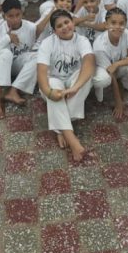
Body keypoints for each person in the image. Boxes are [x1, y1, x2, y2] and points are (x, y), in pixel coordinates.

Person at [37, 9, 100, 161]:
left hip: (72, 84)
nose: (65, 27)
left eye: (67, 22)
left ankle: (61, 130)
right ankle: (73, 140)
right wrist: (49, 92)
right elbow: (41, 73)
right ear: (54, 31)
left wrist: (75, 88)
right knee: (53, 84)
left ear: (73, 22)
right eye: (59, 26)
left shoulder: (82, 40)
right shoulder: (47, 43)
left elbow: (90, 63)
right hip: (54, 83)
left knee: (85, 76)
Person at [0, 0, 39, 119]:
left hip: (15, 65)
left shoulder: (30, 27)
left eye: (18, 15)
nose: (15, 19)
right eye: (10, 16)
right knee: (5, 53)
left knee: (38, 57)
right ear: (4, 16)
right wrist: (7, 38)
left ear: (22, 12)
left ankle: (13, 91)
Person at [93, 8, 128, 119]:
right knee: (104, 79)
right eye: (113, 23)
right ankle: (100, 91)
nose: (118, 26)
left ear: (125, 25)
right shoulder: (100, 45)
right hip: (103, 69)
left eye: (121, 23)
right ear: (106, 25)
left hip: (116, 66)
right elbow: (110, 72)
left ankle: (126, 86)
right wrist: (118, 102)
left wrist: (118, 64)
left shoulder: (125, 33)